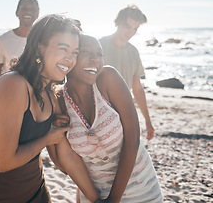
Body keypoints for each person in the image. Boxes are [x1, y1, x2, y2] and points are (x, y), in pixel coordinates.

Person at [0, 14, 80, 203]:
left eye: (75, 52)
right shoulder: (13, 85)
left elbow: (62, 160)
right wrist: (47, 137)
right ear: (40, 47)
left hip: (35, 188)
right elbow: (4, 162)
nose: (70, 59)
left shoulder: (50, 93)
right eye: (63, 49)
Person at [51, 35, 162, 202]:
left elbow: (132, 141)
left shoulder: (108, 78)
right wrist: (54, 132)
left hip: (141, 188)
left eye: (99, 54)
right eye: (87, 53)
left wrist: (113, 199)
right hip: (93, 194)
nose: (95, 60)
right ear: (71, 58)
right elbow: (63, 165)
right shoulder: (59, 100)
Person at [99, 4, 154, 141]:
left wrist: (147, 120)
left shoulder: (134, 52)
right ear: (117, 23)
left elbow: (137, 88)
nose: (131, 32)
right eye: (127, 26)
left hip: (123, 113)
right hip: (99, 113)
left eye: (135, 28)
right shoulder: (98, 46)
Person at [0, 0, 40, 88]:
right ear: (17, 12)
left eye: (32, 9)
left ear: (37, 14)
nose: (28, 12)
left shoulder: (43, 41)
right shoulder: (2, 41)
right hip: (10, 95)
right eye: (24, 8)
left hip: (36, 97)